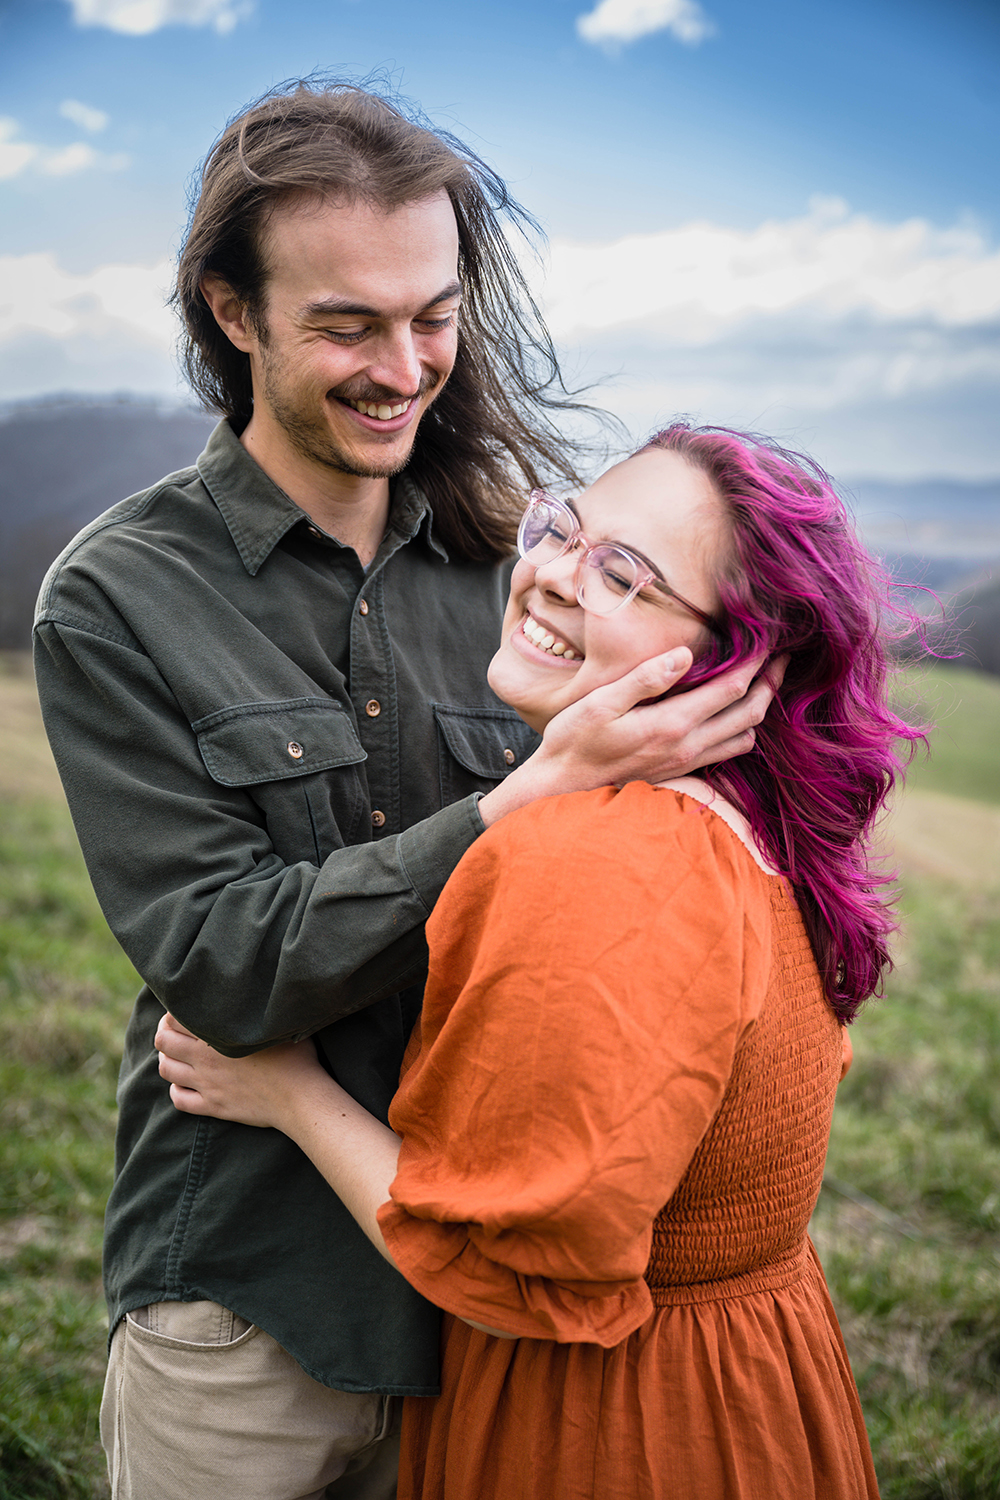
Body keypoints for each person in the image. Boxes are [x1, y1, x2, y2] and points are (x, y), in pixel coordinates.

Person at [33, 82, 772, 1500]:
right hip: (249, 1293)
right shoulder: (119, 598)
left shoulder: (522, 578)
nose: (405, 365)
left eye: (433, 315)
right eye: (348, 324)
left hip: (490, 1313)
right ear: (232, 313)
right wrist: (521, 798)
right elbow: (219, 965)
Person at [156, 423, 924, 1499]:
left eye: (624, 575)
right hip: (747, 1391)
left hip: (613, 1431)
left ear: (734, 662)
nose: (554, 575)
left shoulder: (609, 857)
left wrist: (285, 1091)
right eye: (565, 528)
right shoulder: (742, 829)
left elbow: (505, 1271)